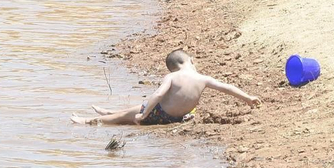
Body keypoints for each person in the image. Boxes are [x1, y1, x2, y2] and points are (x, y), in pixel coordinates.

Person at [72, 49, 260, 125]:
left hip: (160, 114)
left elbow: (158, 94)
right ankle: (107, 112)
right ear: (191, 61)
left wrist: (144, 115)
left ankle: (90, 121)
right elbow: (227, 87)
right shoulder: (203, 78)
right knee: (132, 110)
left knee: (125, 117)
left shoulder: (172, 76)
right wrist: (248, 98)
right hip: (178, 117)